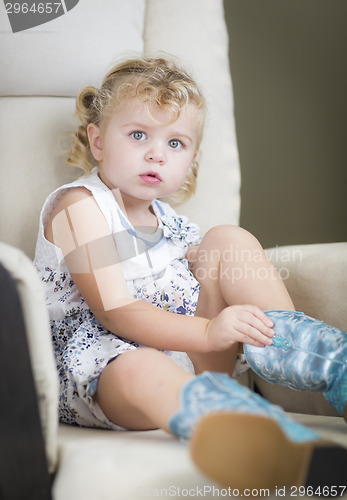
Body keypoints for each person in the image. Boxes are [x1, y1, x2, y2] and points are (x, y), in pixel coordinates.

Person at [34, 57, 346, 493]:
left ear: (191, 157)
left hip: (186, 356)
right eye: (139, 134)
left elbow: (189, 282)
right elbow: (116, 310)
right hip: (103, 373)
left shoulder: (170, 221)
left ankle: (330, 364)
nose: (156, 153)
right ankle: (265, 442)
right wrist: (208, 331)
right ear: (98, 141)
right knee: (139, 366)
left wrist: (209, 263)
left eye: (176, 143)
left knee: (229, 238)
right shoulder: (80, 207)